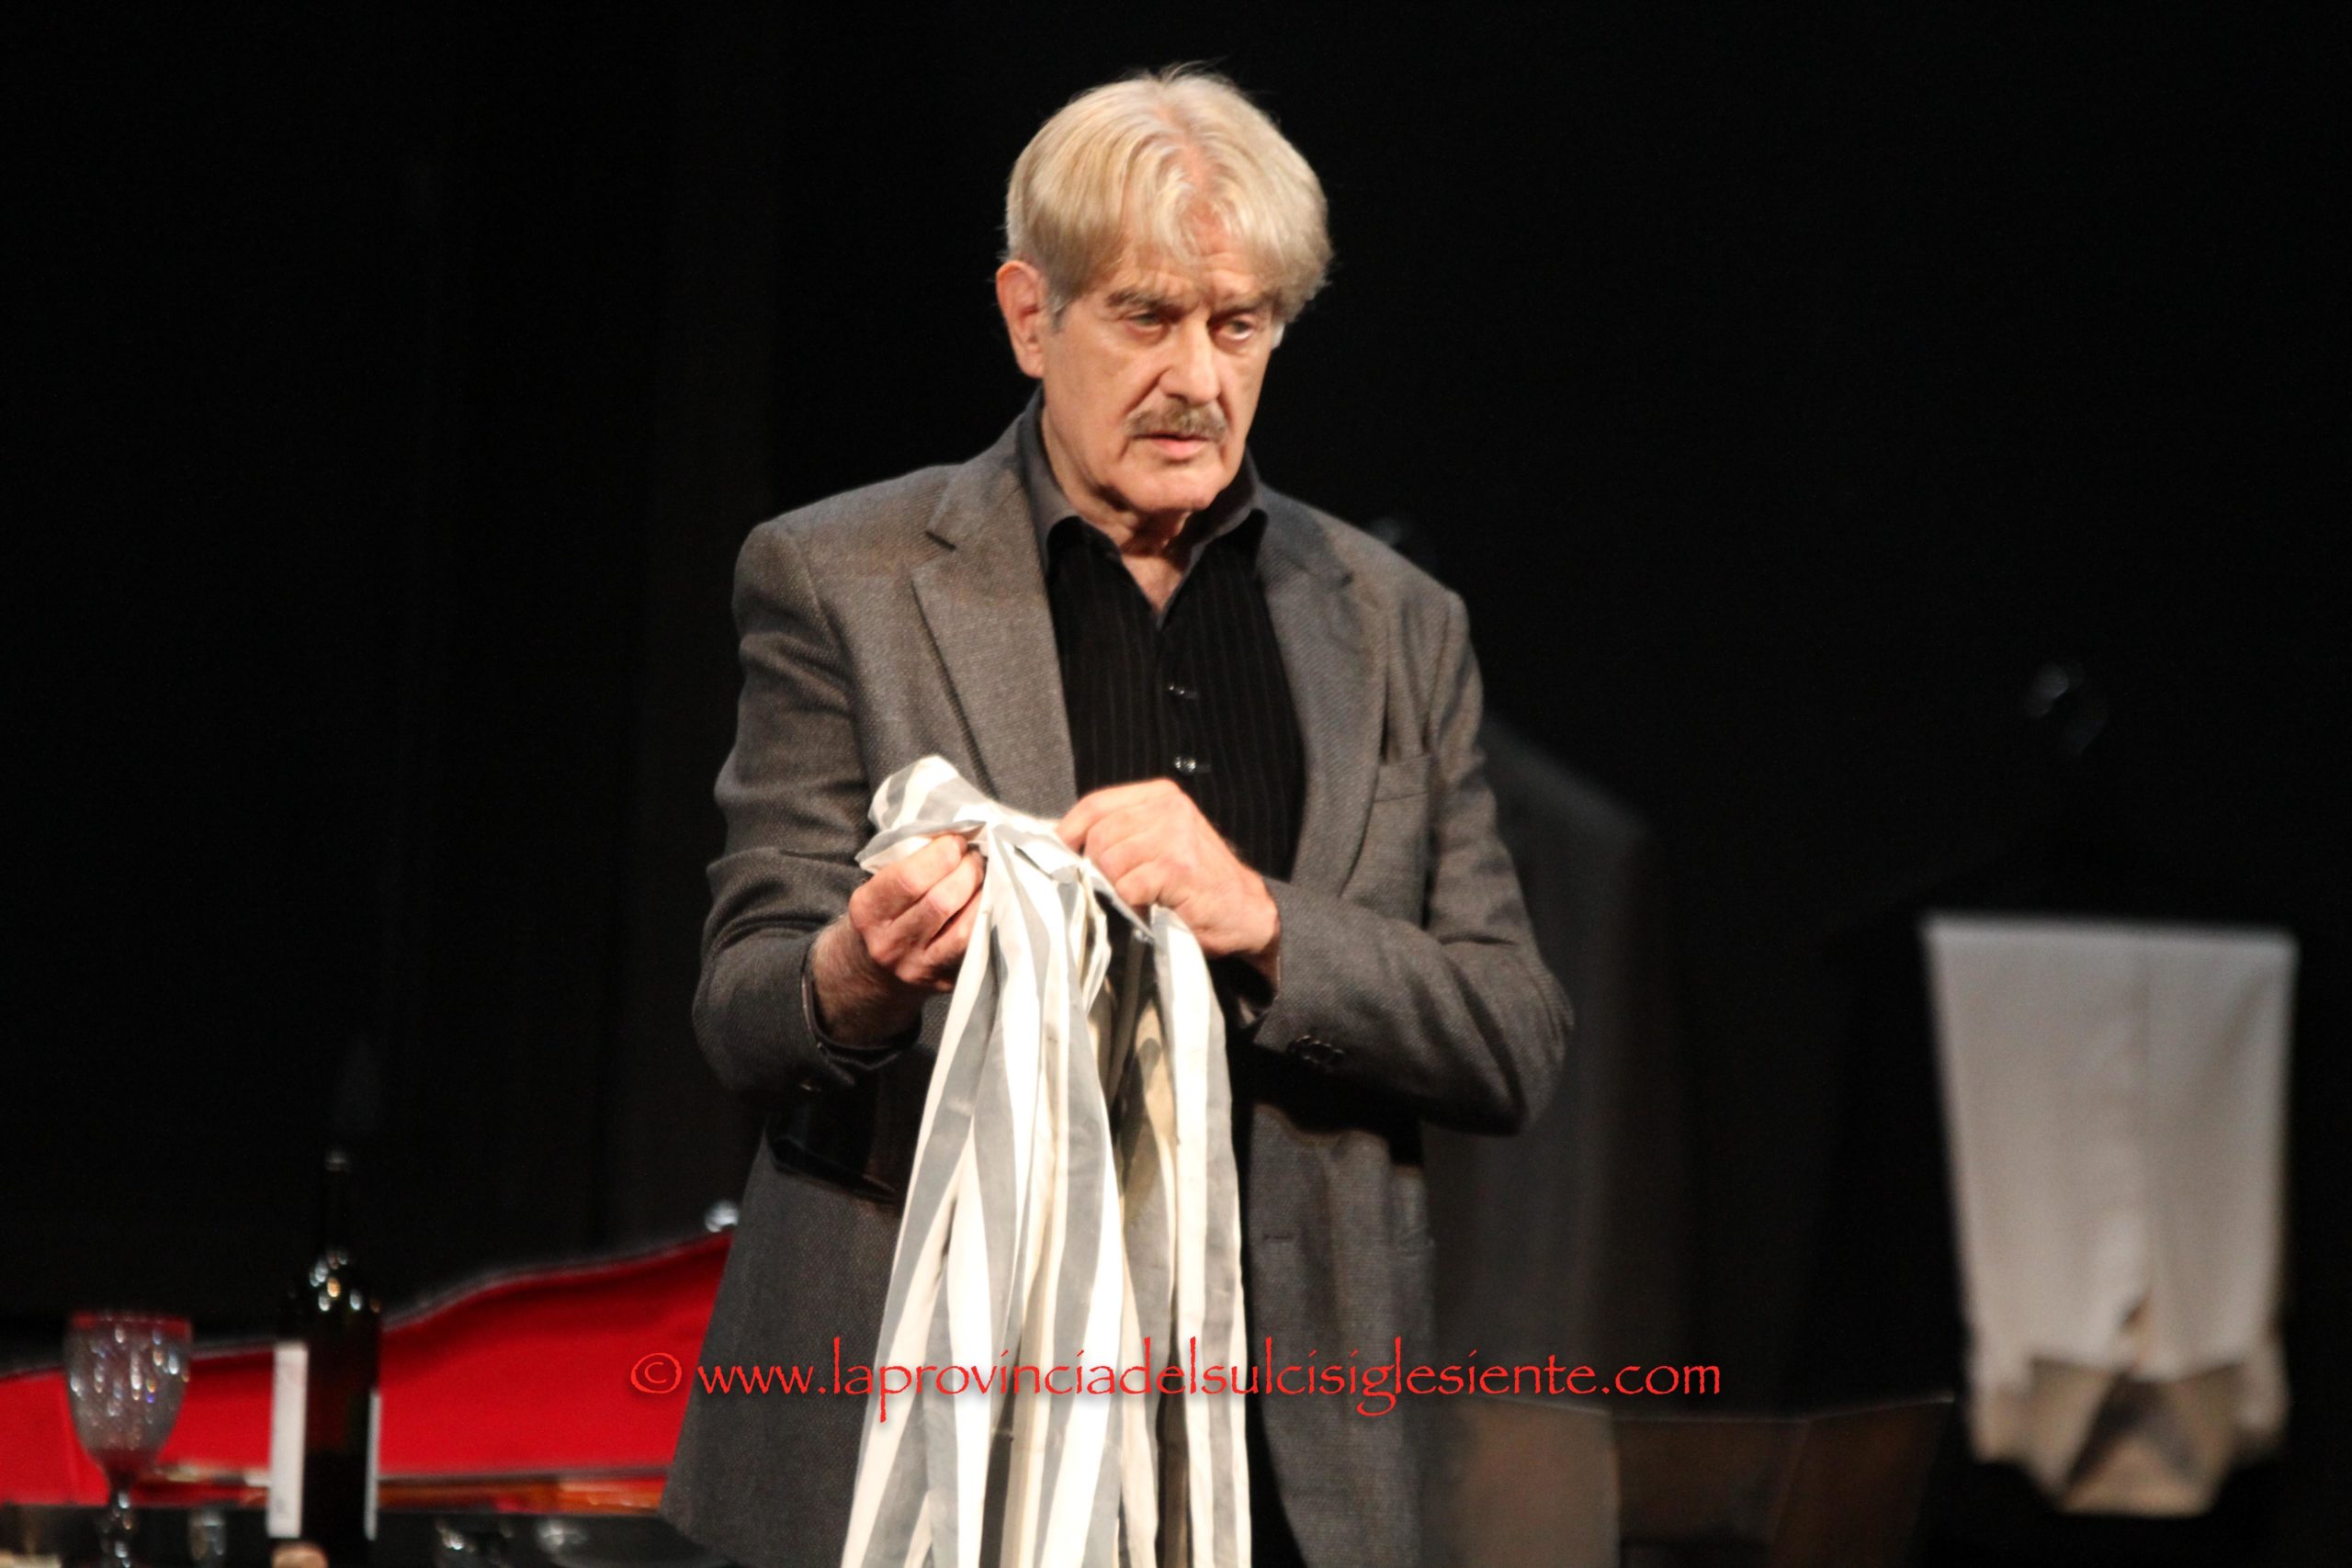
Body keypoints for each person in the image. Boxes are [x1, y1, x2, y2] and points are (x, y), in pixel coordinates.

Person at [661, 66, 1572, 1568]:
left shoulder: (1397, 624)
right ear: (1031, 316)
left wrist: (1263, 921)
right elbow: (747, 1002)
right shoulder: (845, 578)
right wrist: (862, 968)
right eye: (1147, 318)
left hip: (1284, 1455)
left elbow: (1513, 1032)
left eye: (1241, 324)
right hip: (931, 1435)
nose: (1198, 378)